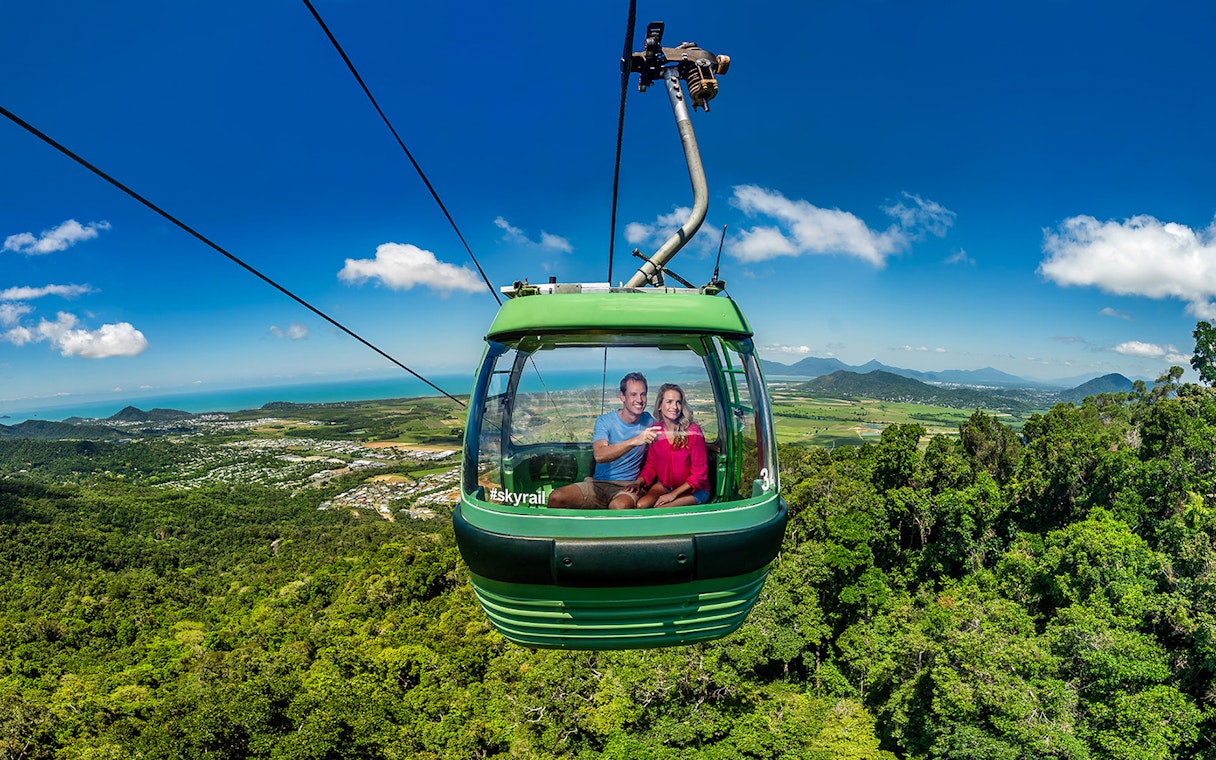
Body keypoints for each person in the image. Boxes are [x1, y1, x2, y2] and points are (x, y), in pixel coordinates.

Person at [546, 372, 658, 509]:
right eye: (633, 394)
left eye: (643, 394)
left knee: (619, 506)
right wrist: (634, 441)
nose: (639, 400)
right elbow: (600, 455)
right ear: (622, 396)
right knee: (556, 497)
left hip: (627, 487)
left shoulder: (649, 421)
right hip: (597, 484)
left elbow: (670, 431)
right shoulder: (605, 421)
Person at [633, 383, 710, 508]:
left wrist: (673, 494)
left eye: (678, 402)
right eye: (669, 402)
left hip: (694, 490)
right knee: (641, 505)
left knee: (661, 509)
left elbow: (699, 475)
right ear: (659, 406)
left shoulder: (693, 432)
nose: (675, 407)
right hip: (665, 486)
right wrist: (638, 483)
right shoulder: (656, 431)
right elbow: (651, 466)